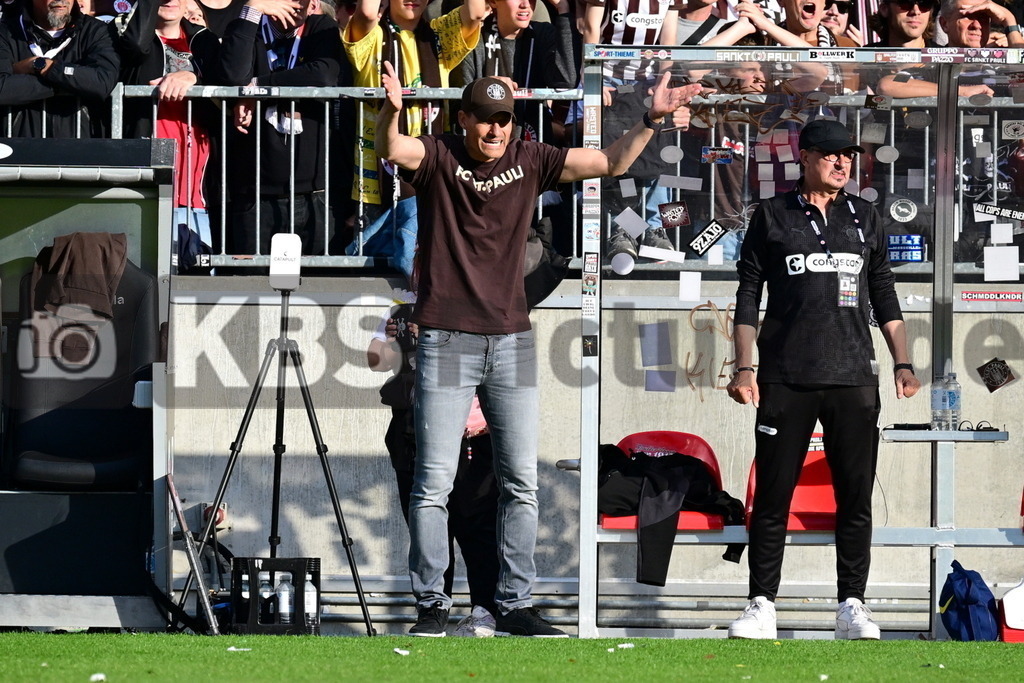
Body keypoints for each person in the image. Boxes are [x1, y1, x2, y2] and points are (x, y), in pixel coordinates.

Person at [376, 65, 701, 637]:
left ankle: (514, 604)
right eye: (487, 119)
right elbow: (394, 148)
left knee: (520, 481)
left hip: (512, 340)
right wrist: (391, 111)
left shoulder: (532, 157)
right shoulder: (439, 155)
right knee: (434, 483)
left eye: (505, 120)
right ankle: (431, 604)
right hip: (446, 336)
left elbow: (609, 163)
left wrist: (650, 119)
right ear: (465, 120)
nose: (497, 130)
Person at [725, 119, 921, 640]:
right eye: (832, 155)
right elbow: (748, 297)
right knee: (773, 496)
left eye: (849, 156)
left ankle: (852, 604)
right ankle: (761, 604)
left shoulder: (867, 216)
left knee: (854, 495)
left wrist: (903, 362)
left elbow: (885, 296)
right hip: (785, 378)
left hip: (854, 378)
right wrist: (744, 366)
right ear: (806, 157)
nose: (843, 164)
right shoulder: (771, 215)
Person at [367, 293, 501, 638]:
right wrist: (397, 341)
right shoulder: (402, 305)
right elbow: (375, 360)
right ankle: (433, 608)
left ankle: (485, 610)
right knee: (426, 527)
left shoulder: (476, 297)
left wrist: (433, 336)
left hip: (469, 432)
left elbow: (489, 361)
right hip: (412, 430)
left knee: (476, 526)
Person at [341, 0, 486, 283]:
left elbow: (476, 12)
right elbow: (368, 12)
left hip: (427, 180)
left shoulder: (440, 35)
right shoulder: (373, 35)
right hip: (375, 186)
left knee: (424, 274)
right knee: (372, 281)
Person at [218, 0, 342, 256]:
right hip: (254, 192)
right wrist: (252, 8)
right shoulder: (245, 26)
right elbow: (232, 76)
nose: (296, 4)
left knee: (316, 290)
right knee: (253, 288)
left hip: (315, 192)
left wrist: (258, 86)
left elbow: (324, 74)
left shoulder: (321, 26)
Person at [113, 0, 222, 271]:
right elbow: (136, 45)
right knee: (149, 282)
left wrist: (194, 76)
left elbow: (230, 78)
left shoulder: (204, 40)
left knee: (196, 286)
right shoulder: (127, 37)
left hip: (195, 191)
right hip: (145, 189)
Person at [0, 0, 119, 138]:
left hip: (81, 148)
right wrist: (72, 82)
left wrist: (46, 67)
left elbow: (102, 81)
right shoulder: (6, 32)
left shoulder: (95, 31)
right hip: (21, 147)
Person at [866, 0, 938, 47]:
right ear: (884, 9)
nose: (916, 11)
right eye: (906, 3)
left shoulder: (946, 63)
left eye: (925, 4)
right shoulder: (863, 61)